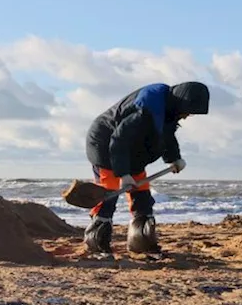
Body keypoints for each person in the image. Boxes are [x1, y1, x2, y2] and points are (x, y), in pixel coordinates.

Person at [83, 81, 210, 255]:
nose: (187, 116)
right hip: (105, 144)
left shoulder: (168, 109)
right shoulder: (145, 109)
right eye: (187, 112)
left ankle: (141, 244)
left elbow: (167, 134)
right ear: (181, 102)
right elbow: (120, 139)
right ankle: (96, 245)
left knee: (141, 195)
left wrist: (174, 158)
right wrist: (123, 174)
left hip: (133, 152)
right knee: (108, 193)